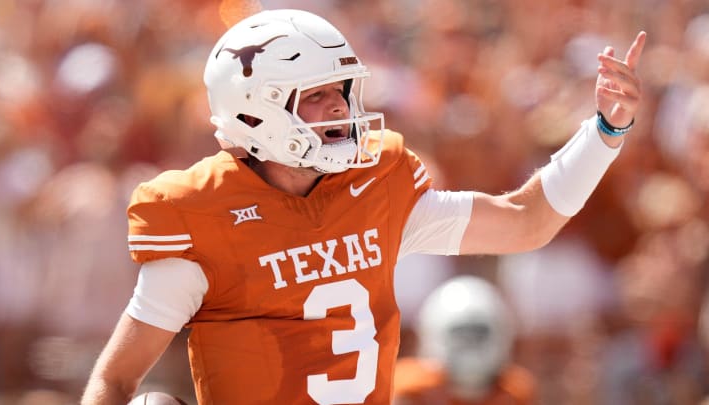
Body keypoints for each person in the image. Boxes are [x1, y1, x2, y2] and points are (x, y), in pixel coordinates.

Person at [81, 8, 646, 405]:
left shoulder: (376, 188)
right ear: (255, 111)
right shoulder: (202, 215)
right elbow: (116, 380)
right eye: (316, 96)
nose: (339, 109)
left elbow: (527, 222)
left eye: (342, 91)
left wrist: (605, 130)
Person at [393, 275, 535, 404]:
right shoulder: (411, 387)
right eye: (463, 337)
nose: (470, 347)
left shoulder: (514, 390)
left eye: (477, 336)